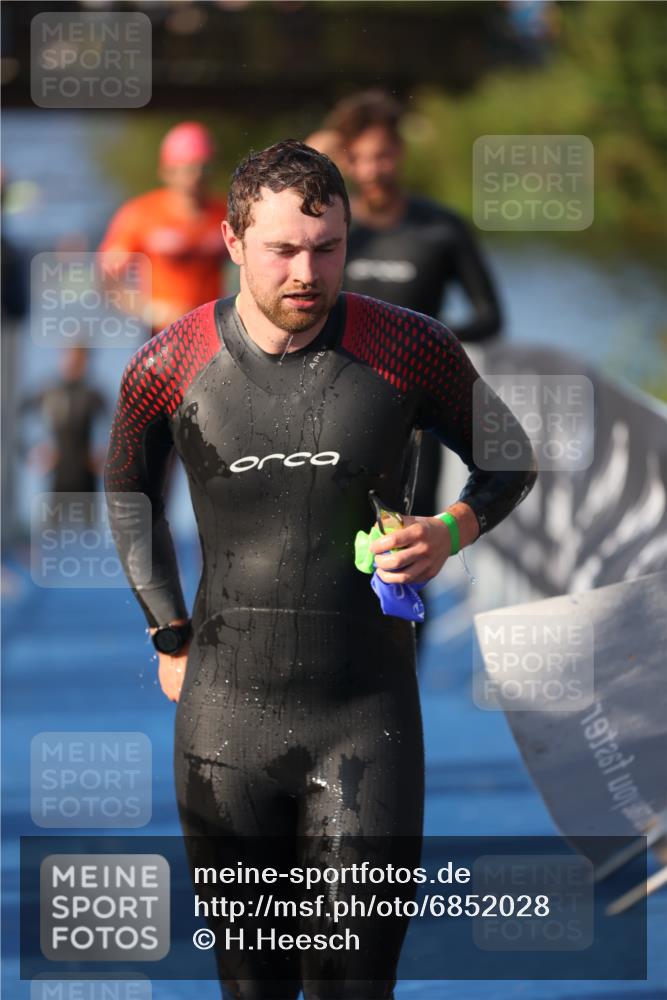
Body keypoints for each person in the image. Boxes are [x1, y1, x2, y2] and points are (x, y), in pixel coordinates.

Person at [104, 140, 536, 1000]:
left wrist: (449, 530)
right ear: (232, 241)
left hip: (365, 716)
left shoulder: (409, 347)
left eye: (327, 247)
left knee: (353, 984)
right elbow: (124, 497)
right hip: (224, 722)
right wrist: (168, 630)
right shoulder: (168, 362)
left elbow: (509, 461)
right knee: (254, 987)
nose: (308, 271)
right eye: (283, 249)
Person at [322, 91, 503, 558]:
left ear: (399, 153)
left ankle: (407, 633)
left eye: (382, 155)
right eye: (359, 158)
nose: (372, 170)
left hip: (415, 415)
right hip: (331, 409)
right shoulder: (330, 233)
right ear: (346, 160)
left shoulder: (441, 229)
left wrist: (431, 342)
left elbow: (491, 317)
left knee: (408, 543)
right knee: (332, 548)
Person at [98, 121, 228, 337]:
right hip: (161, 337)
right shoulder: (141, 214)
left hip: (213, 332)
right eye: (188, 169)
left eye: (203, 167)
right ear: (167, 171)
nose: (196, 176)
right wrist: (151, 311)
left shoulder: (224, 213)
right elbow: (108, 279)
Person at [21, 345, 107, 498]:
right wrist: (31, 450)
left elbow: (110, 431)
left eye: (79, 358)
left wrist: (102, 454)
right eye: (70, 357)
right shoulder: (47, 393)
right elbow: (21, 422)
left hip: (86, 480)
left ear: (86, 361)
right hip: (53, 480)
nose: (73, 362)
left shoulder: (94, 396)